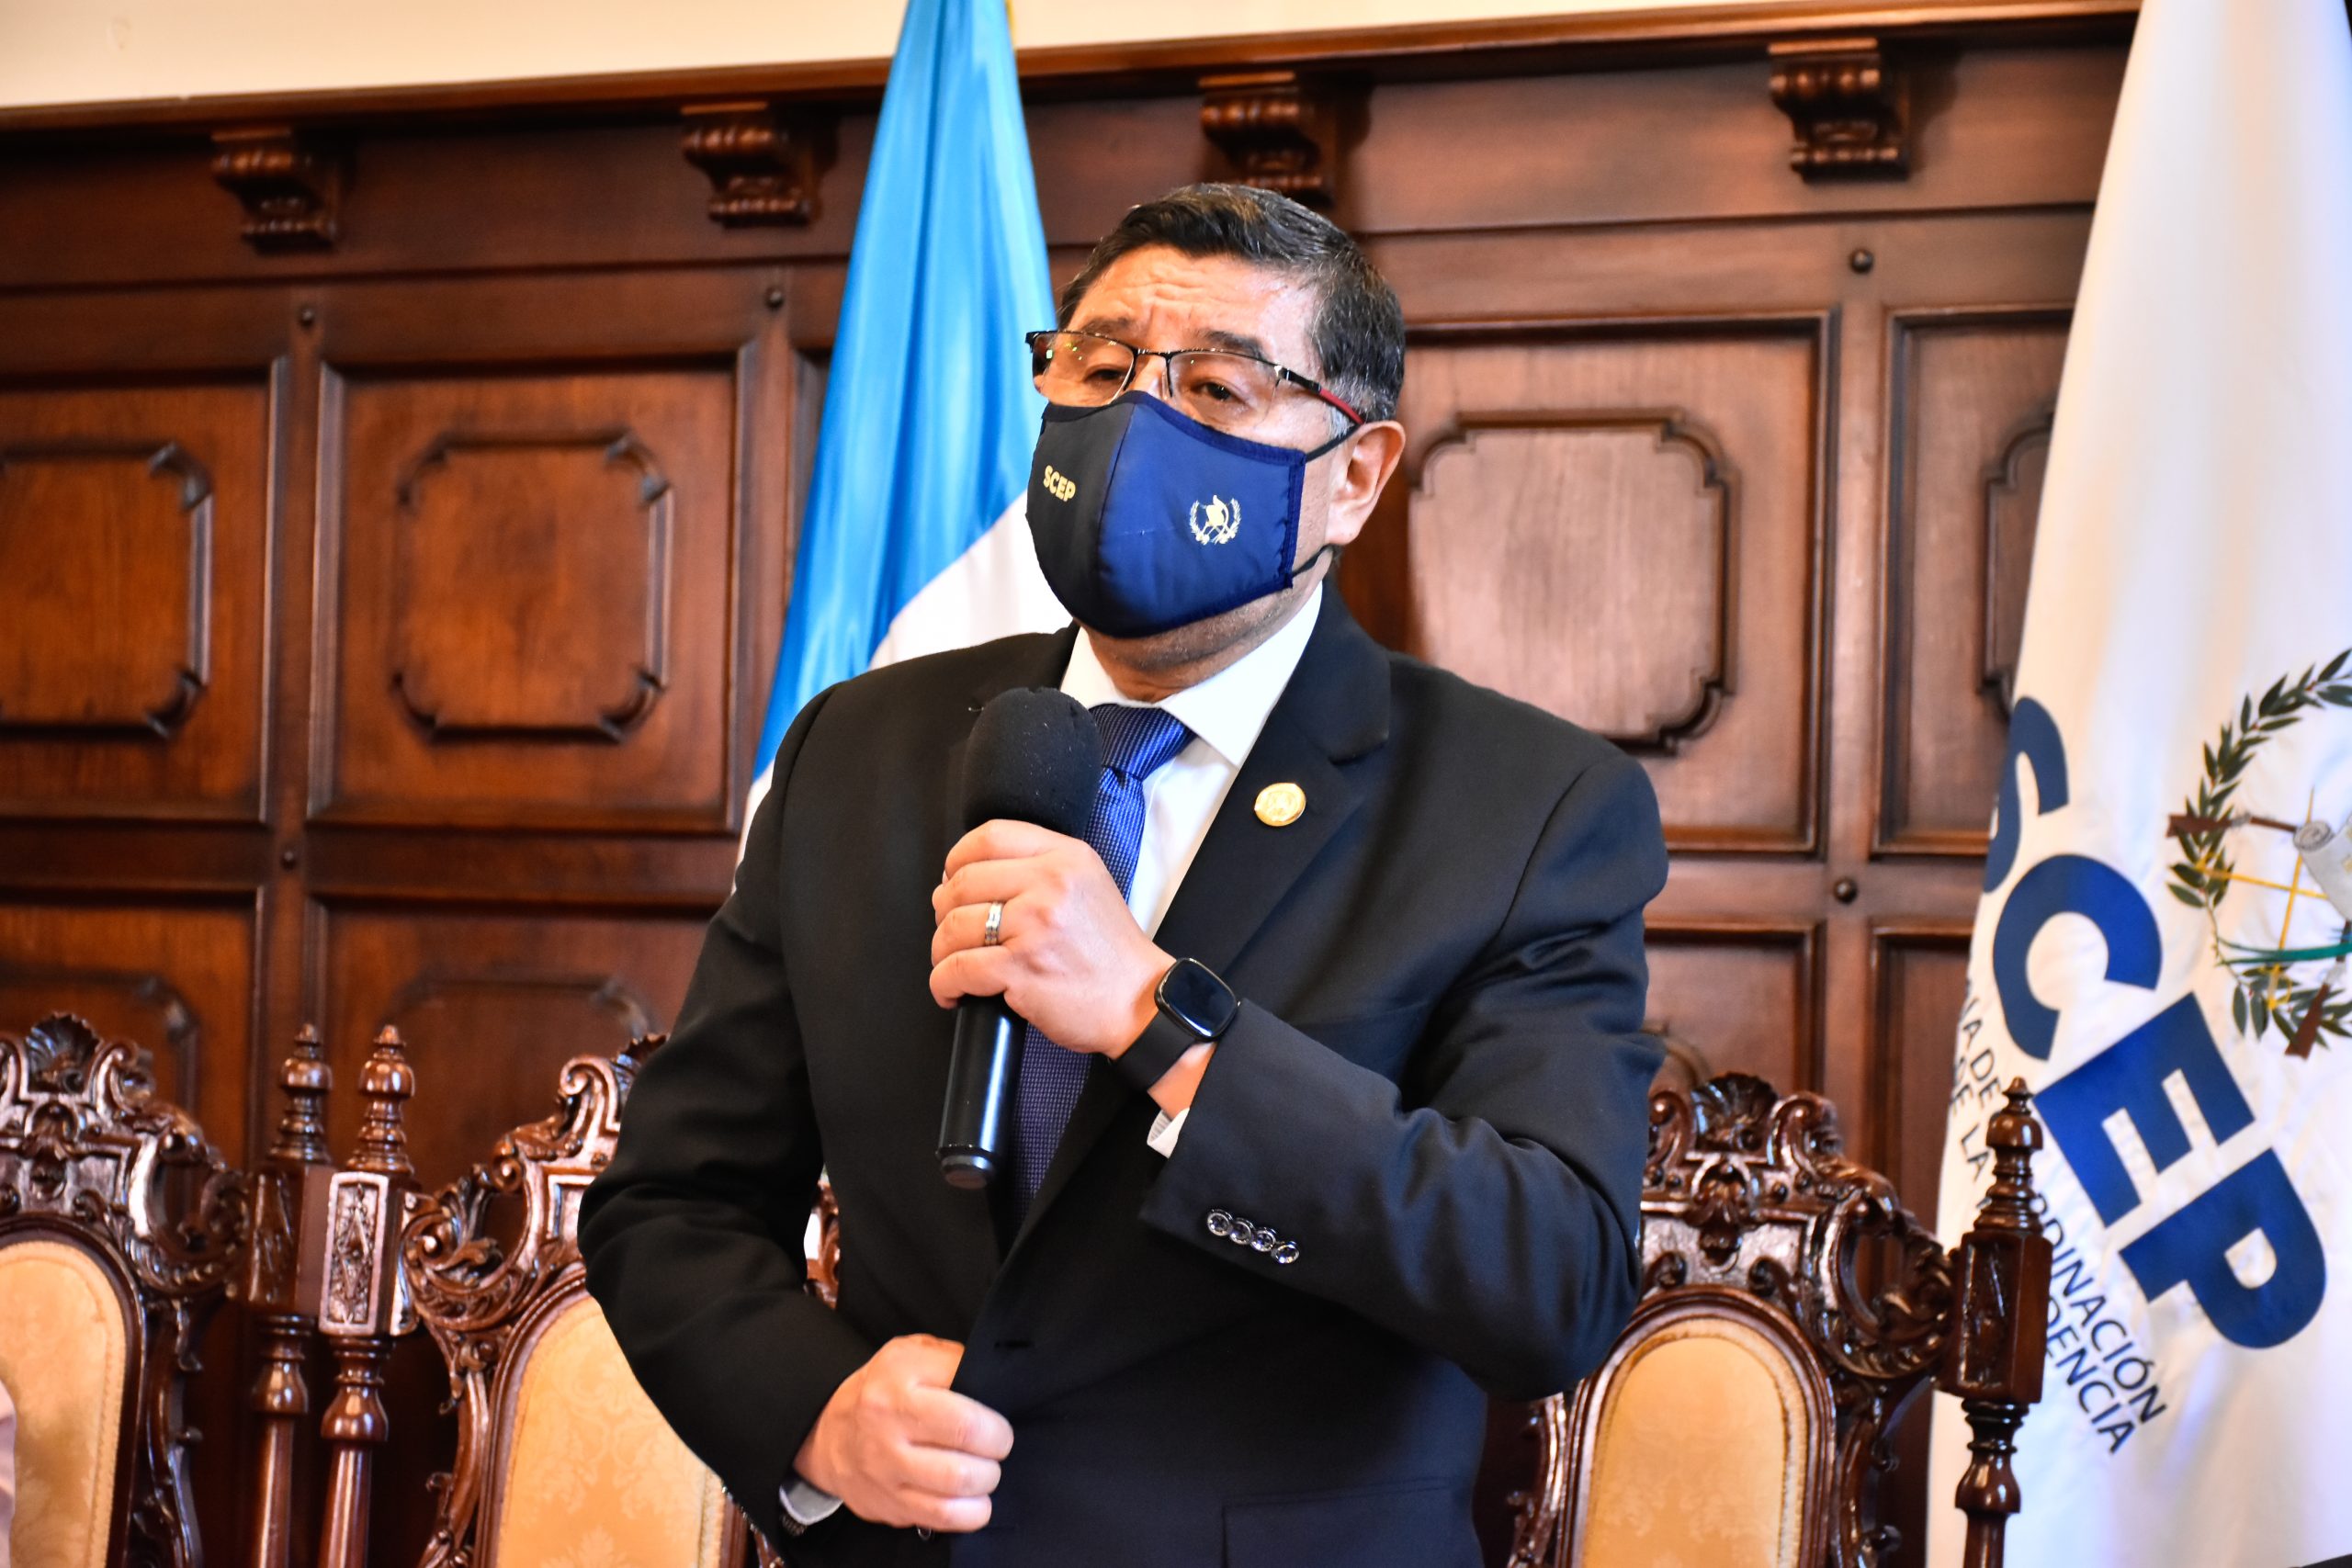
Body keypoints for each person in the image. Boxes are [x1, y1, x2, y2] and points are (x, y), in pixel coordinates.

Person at [581, 184, 1667, 1568]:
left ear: (1353, 475)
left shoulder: (1527, 806)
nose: (1135, 426)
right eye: (1099, 370)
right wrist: (815, 1410)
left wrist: (1161, 1024)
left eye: (1216, 389)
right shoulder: (860, 748)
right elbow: (673, 1199)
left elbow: (1550, 1282)